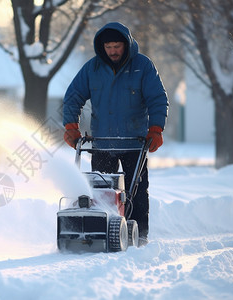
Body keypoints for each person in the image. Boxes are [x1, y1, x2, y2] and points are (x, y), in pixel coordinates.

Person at [62, 22, 169, 247]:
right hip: (101, 143)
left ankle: (139, 237)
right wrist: (71, 126)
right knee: (101, 192)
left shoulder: (142, 66)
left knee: (136, 192)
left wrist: (156, 129)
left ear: (126, 44)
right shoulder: (92, 69)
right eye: (108, 46)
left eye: (117, 46)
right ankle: (100, 233)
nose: (112, 51)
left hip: (135, 144)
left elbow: (157, 99)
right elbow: (73, 96)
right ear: (102, 47)